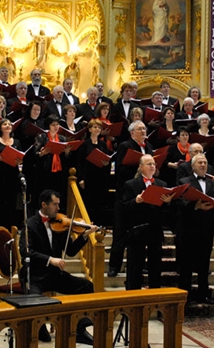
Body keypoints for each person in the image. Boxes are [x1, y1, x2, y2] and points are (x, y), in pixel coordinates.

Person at [19, 189, 96, 345]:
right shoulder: (30, 225)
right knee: (35, 299)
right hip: (34, 275)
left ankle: (78, 330)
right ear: (44, 205)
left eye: (58, 204)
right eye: (55, 204)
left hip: (54, 275)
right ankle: (39, 329)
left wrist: (85, 236)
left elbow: (71, 250)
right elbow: (26, 252)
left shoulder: (59, 225)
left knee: (86, 286)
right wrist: (50, 260)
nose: (58, 208)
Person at [109, 120, 154, 277]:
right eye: (139, 129)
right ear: (132, 133)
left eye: (144, 128)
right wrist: (137, 166)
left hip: (144, 196)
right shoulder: (125, 146)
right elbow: (119, 168)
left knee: (141, 232)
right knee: (120, 231)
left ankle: (139, 264)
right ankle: (114, 265)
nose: (143, 131)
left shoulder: (148, 148)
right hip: (126, 194)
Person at [122, 154, 174, 290]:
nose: (152, 166)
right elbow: (124, 207)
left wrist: (167, 203)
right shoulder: (131, 184)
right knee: (135, 266)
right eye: (148, 164)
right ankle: (133, 295)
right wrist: (136, 201)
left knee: (155, 266)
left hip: (155, 229)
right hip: (137, 230)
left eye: (153, 164)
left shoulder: (162, 184)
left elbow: (166, 211)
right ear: (140, 167)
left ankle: (154, 295)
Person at [177, 153, 214, 305]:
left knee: (204, 263)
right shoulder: (184, 182)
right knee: (186, 264)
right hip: (189, 228)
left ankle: (203, 293)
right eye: (200, 162)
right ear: (193, 166)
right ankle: (185, 296)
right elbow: (180, 203)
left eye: (205, 162)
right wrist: (195, 206)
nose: (203, 165)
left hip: (207, 228)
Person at [77, 119, 112, 226]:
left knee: (100, 202)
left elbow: (107, 159)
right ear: (90, 129)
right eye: (95, 127)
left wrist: (107, 164)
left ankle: (99, 225)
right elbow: (79, 162)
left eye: (99, 127)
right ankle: (89, 224)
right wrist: (81, 178)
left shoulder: (103, 144)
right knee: (89, 202)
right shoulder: (84, 144)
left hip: (101, 177)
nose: (97, 129)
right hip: (88, 177)